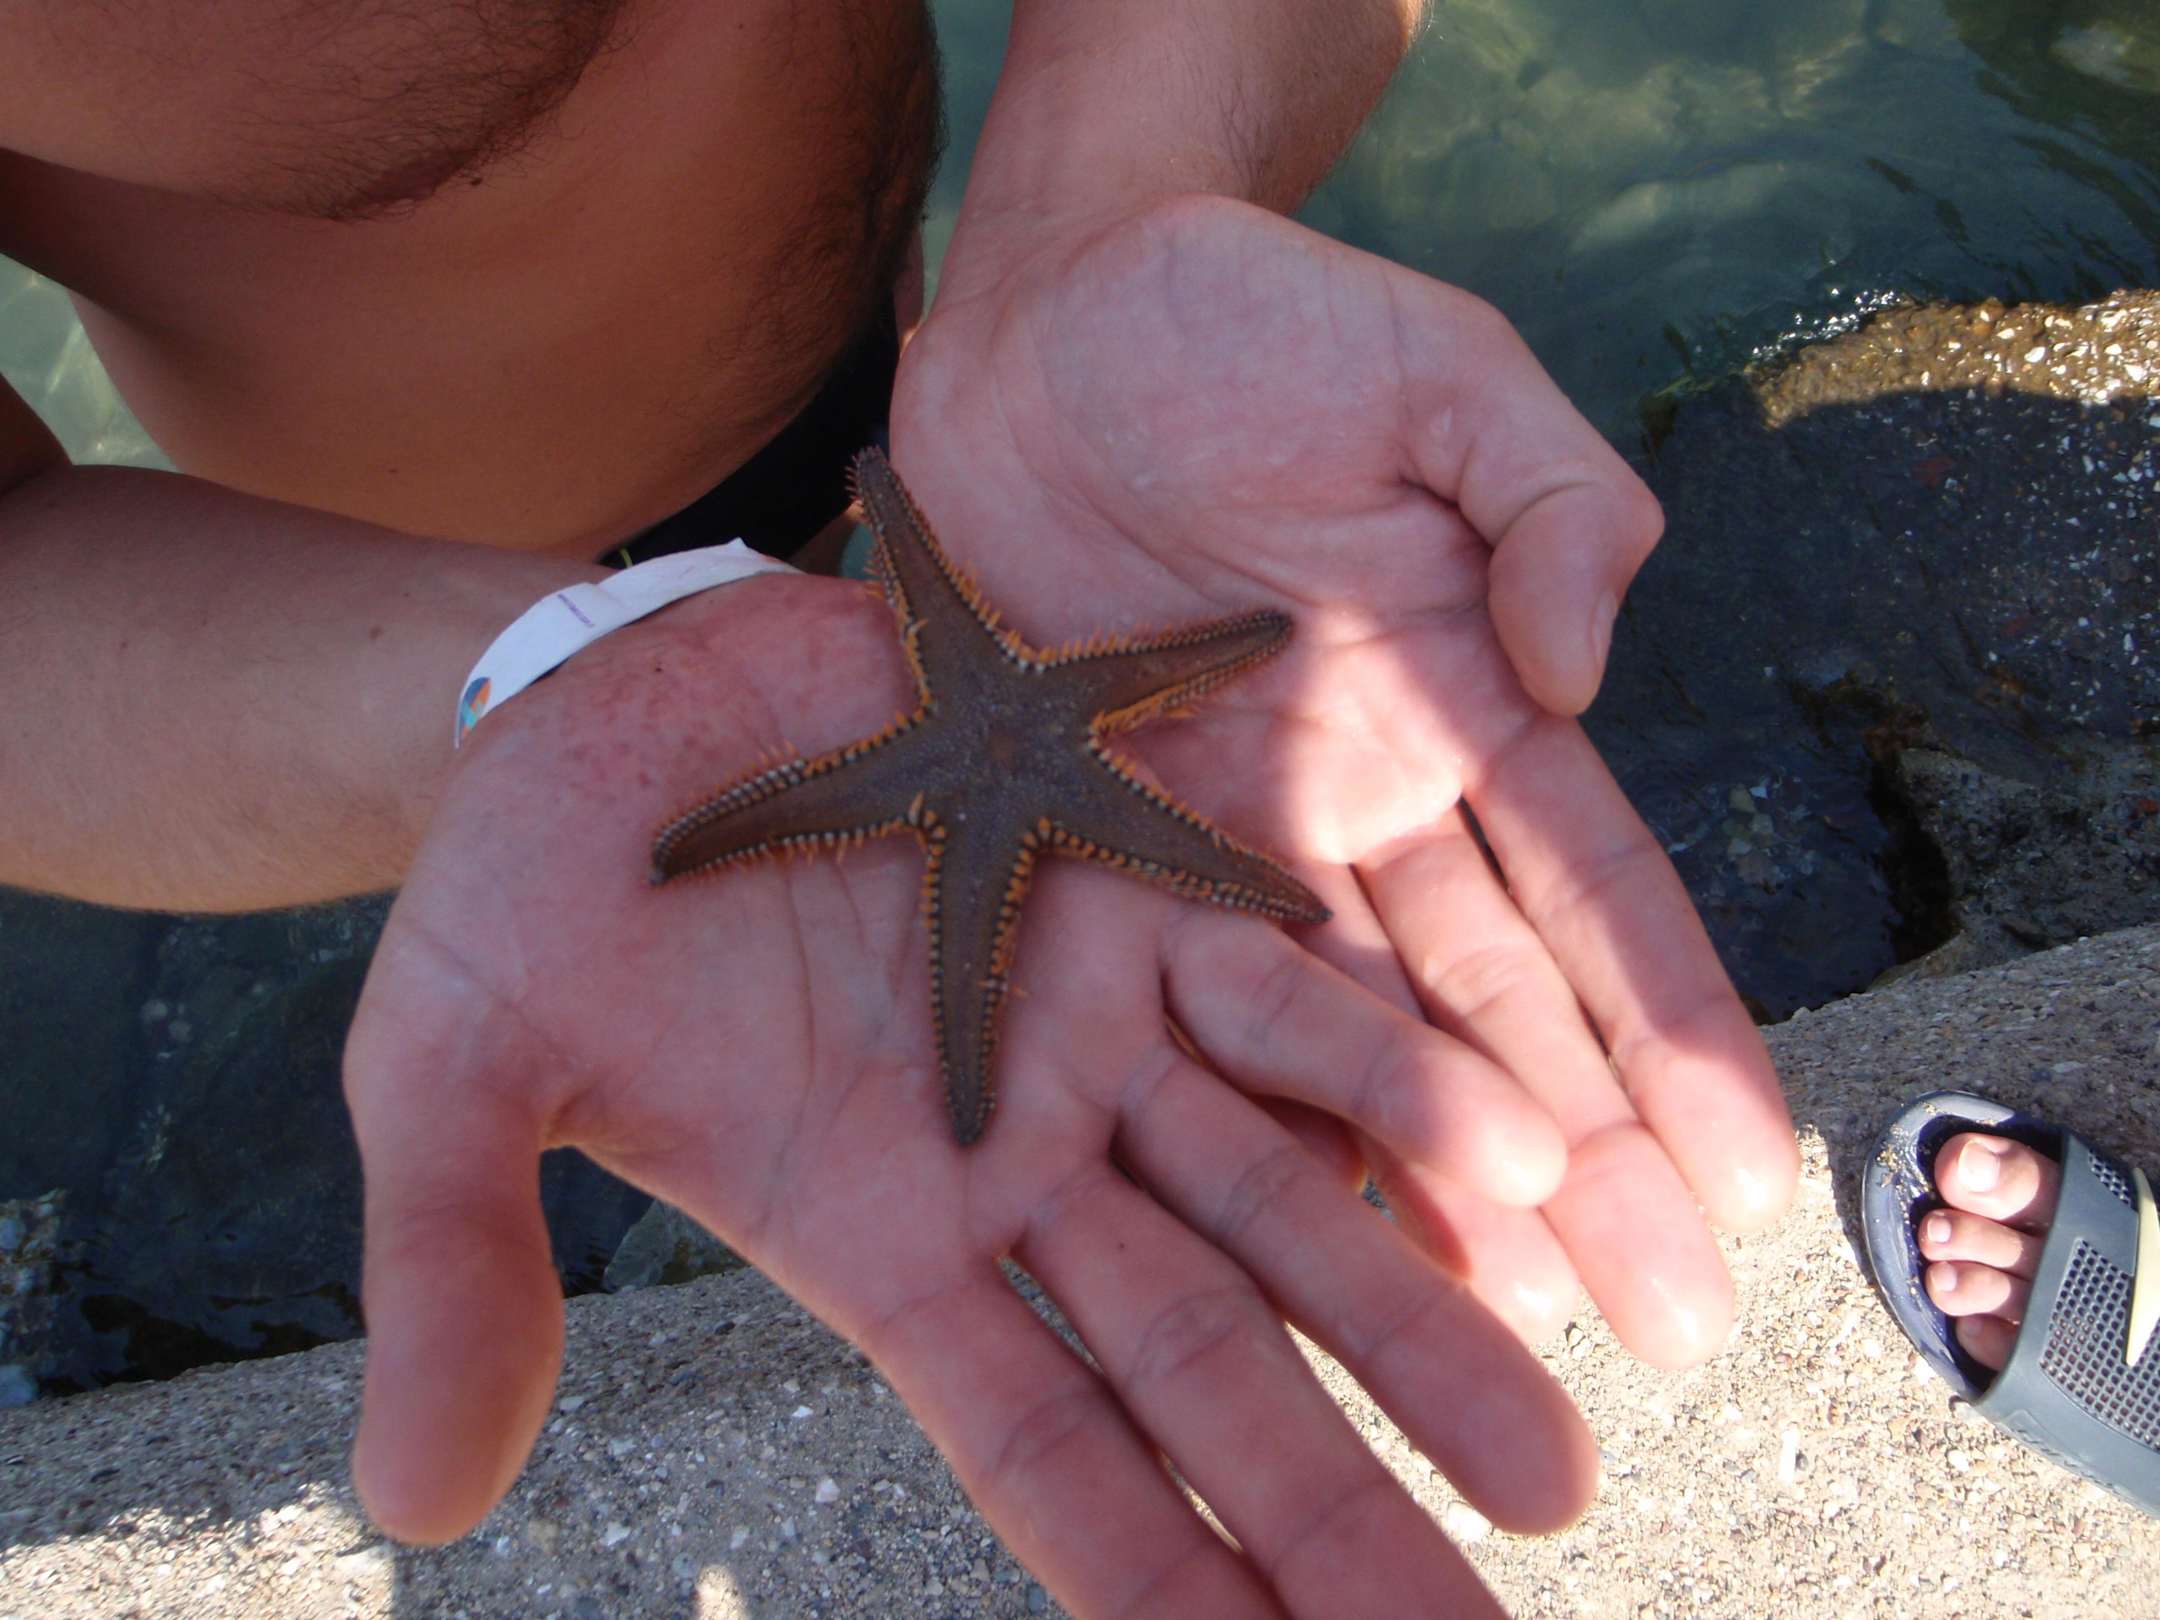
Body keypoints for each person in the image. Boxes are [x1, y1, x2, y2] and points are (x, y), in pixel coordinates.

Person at [0, 3, 1807, 1613]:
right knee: (796, 794)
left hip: (958, 348)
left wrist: (1092, 208)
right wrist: (545, 675)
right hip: (418, 556)